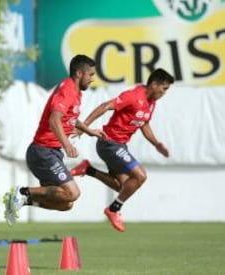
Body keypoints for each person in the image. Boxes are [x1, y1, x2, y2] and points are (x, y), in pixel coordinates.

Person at [3, 54, 106, 226]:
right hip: (43, 151)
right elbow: (54, 119)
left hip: (51, 153)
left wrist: (88, 130)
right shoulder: (67, 90)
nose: (92, 79)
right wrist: (67, 144)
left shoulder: (75, 93)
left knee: (66, 203)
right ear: (79, 73)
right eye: (91, 75)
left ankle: (23, 200)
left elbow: (70, 119)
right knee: (73, 193)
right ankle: (22, 192)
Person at [70, 68, 174, 232]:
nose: (165, 92)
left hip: (119, 146)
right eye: (164, 88)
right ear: (154, 84)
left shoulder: (151, 103)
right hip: (109, 143)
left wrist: (156, 144)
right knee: (140, 176)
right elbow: (105, 106)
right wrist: (85, 127)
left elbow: (143, 124)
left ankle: (87, 169)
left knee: (125, 187)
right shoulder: (133, 96)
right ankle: (113, 209)